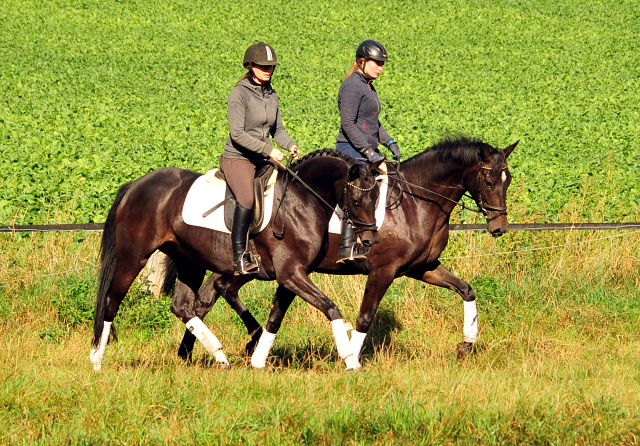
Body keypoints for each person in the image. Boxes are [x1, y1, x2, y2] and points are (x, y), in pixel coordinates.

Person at [222, 42, 300, 275]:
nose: (268, 70)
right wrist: (269, 151)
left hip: (262, 157)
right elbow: (237, 134)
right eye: (263, 66)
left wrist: (290, 144)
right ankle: (239, 258)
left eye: (271, 66)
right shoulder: (239, 94)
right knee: (246, 200)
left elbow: (278, 131)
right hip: (239, 158)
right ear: (250, 66)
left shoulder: (272, 95)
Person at [335, 39, 400, 263]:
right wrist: (367, 151)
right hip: (350, 149)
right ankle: (346, 247)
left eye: (382, 64)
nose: (380, 67)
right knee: (358, 192)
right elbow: (349, 124)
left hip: (366, 149)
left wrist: (389, 141)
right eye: (377, 63)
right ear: (362, 62)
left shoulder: (368, 86)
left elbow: (373, 123)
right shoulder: (353, 86)